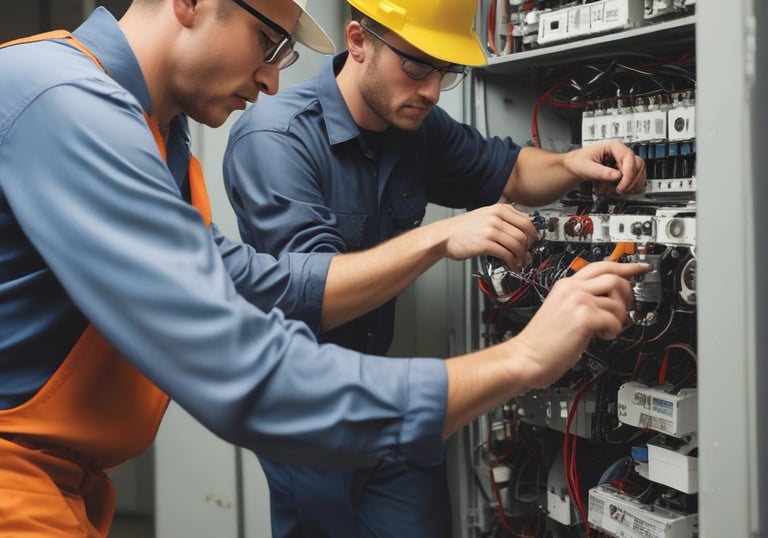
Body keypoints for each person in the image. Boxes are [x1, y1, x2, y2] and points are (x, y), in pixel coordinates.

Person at [0, 0, 646, 536]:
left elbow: (240, 282)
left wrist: (570, 164)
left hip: (70, 481)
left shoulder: (148, 129)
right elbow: (248, 366)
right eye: (268, 42)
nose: (272, 79)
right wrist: (522, 358)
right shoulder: (68, 103)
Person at [222, 0, 648, 536]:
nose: (429, 89)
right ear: (357, 41)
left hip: (390, 398)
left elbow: (508, 167)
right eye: (416, 66)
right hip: (309, 413)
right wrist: (440, 237)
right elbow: (312, 293)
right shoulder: (277, 137)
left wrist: (572, 164)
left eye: (445, 72)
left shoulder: (416, 125)